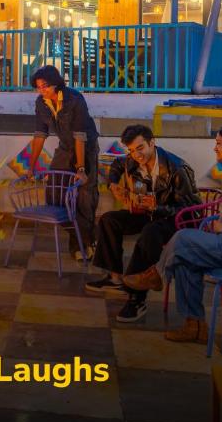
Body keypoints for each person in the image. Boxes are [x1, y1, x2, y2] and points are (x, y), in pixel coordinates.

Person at [124, 123, 222, 343]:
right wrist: (220, 223)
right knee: (186, 261)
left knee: (183, 237)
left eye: (219, 144)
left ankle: (157, 275)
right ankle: (194, 326)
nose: (215, 148)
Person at [85, 125, 200, 322]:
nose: (136, 154)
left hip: (174, 220)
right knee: (108, 220)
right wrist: (114, 184)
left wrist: (157, 207)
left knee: (150, 232)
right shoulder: (132, 160)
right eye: (131, 150)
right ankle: (114, 278)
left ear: (152, 143)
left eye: (140, 148)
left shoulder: (177, 169)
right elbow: (117, 165)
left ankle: (136, 297)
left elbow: (191, 211)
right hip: (148, 213)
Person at [28, 65, 100, 260]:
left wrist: (81, 168)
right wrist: (31, 166)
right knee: (54, 194)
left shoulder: (74, 99)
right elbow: (40, 134)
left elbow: (80, 136)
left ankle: (80, 246)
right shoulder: (41, 103)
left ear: (56, 84)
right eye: (38, 87)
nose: (41, 90)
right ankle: (87, 238)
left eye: (45, 86)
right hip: (65, 148)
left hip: (86, 146)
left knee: (85, 196)